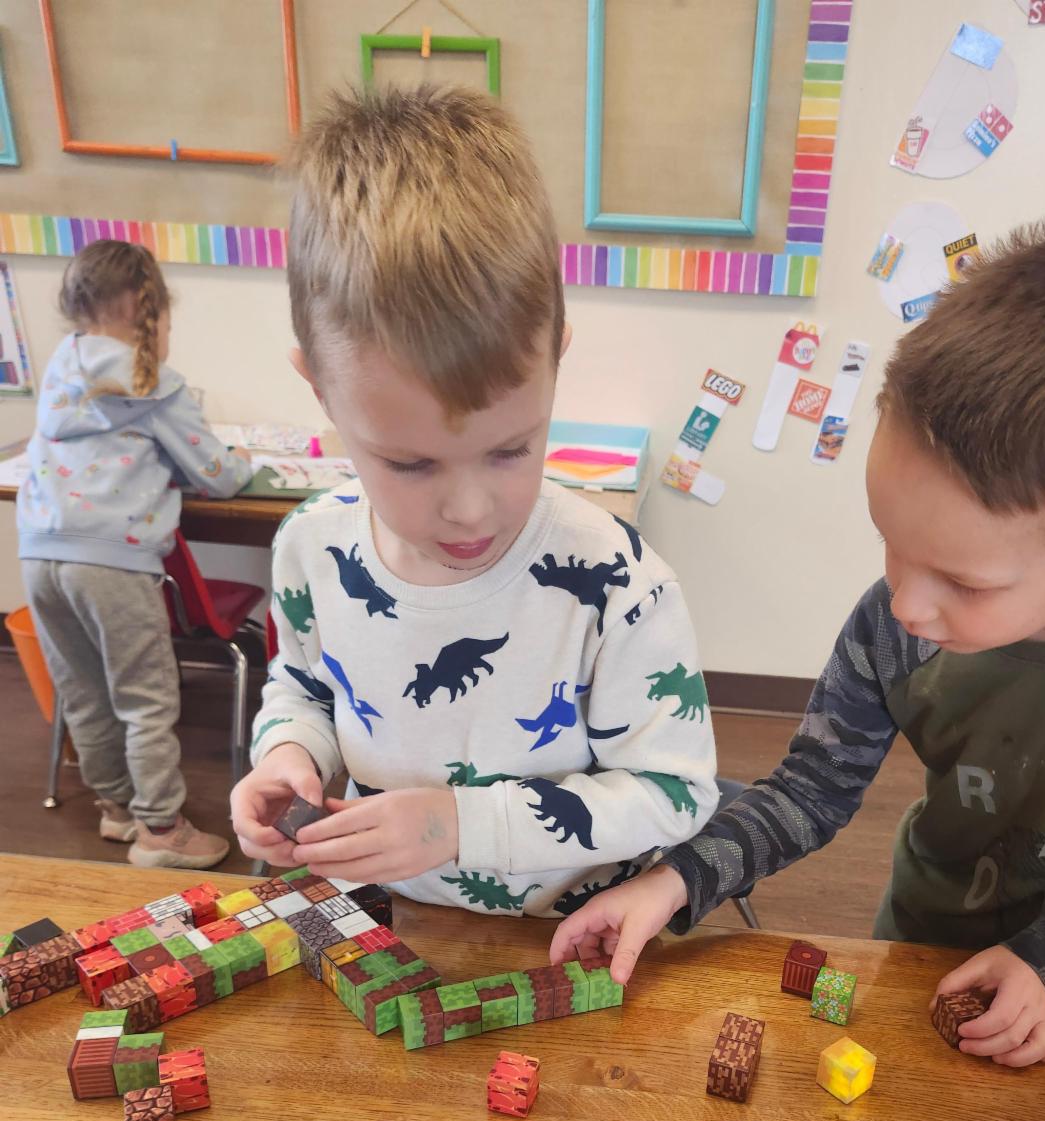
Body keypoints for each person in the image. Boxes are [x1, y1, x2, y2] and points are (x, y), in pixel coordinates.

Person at [551, 213, 1045, 1068]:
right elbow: (812, 789)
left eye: (966, 583)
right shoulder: (893, 627)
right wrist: (674, 879)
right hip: (924, 945)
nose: (906, 603)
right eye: (890, 540)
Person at [230, 85, 716, 916]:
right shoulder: (311, 546)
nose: (469, 510)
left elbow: (676, 792)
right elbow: (305, 688)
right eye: (410, 463)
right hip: (383, 919)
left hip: (561, 936)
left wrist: (462, 824)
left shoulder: (618, 583)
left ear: (555, 361)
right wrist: (288, 755)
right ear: (319, 389)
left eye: (509, 449)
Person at [18, 239, 253, 868]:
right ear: (150, 313)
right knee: (145, 697)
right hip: (112, 563)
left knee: (84, 691)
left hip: (38, 555)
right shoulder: (158, 384)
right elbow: (218, 476)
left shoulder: (61, 366)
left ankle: (118, 810)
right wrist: (240, 461)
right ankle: (161, 831)